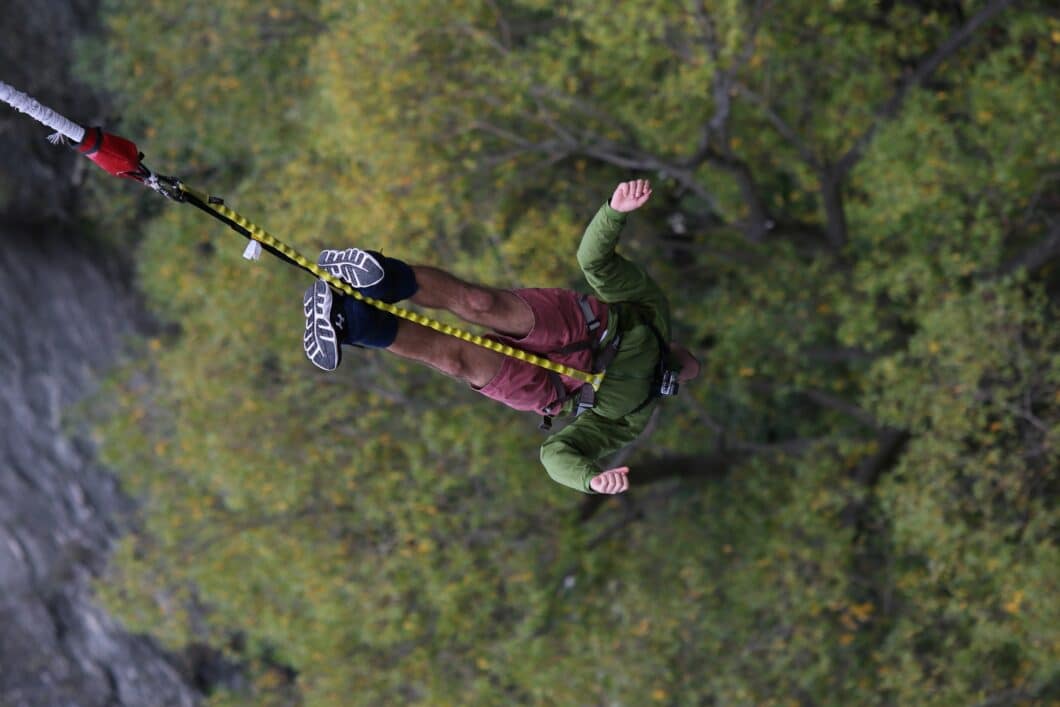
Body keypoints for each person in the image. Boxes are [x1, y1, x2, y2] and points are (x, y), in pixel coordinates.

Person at [302, 180, 700, 494]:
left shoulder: (634, 417)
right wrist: (613, 212)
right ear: (674, 346)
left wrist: (590, 479)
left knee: (457, 361)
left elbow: (556, 455)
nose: (679, 372)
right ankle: (384, 277)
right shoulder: (651, 314)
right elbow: (595, 261)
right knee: (480, 303)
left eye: (679, 378)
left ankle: (353, 322)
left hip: (556, 390)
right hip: (583, 326)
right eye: (681, 364)